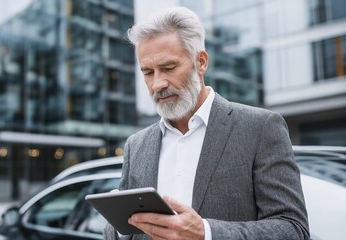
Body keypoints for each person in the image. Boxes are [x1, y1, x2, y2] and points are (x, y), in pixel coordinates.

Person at [104, 7, 309, 240]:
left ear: (201, 62)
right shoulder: (136, 145)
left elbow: (293, 229)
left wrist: (206, 233)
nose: (157, 84)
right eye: (148, 72)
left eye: (168, 68)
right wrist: (121, 227)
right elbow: (116, 234)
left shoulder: (261, 128)